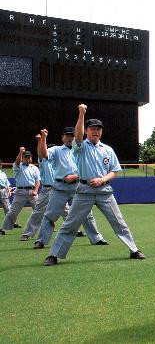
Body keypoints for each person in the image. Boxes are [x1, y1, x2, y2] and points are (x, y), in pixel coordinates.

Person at [43, 105, 145, 265]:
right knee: (70, 224)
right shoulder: (80, 146)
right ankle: (54, 255)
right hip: (84, 191)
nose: (96, 131)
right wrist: (81, 114)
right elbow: (77, 136)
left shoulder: (107, 149)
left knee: (119, 222)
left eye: (98, 129)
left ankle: (134, 250)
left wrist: (103, 179)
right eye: (92, 129)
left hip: (104, 191)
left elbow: (114, 171)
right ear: (86, 131)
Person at [33, 127, 107, 249]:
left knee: (87, 214)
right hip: (60, 187)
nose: (70, 138)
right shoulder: (56, 150)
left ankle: (96, 238)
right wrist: (44, 138)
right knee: (50, 215)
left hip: (79, 186)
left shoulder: (83, 149)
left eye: (72, 135)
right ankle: (41, 240)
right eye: (67, 135)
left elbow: (90, 168)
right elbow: (43, 154)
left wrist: (76, 176)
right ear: (62, 137)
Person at [0, 148, 40, 235]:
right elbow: (17, 162)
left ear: (31, 158)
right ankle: (4, 228)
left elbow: (37, 181)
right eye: (25, 157)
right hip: (20, 191)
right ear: (22, 157)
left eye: (29, 157)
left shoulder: (35, 168)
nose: (28, 159)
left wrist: (36, 190)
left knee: (39, 210)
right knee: (13, 211)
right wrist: (20, 152)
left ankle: (43, 227)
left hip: (32, 191)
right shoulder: (18, 166)